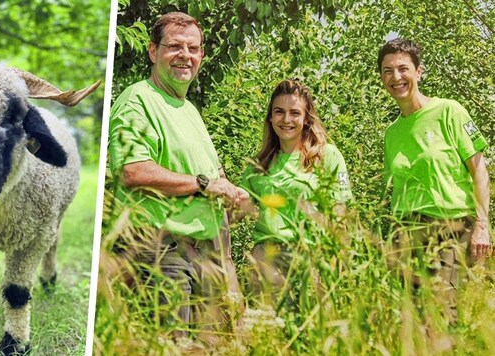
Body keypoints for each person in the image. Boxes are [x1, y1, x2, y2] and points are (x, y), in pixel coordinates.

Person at [107, 12, 247, 343]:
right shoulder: (137, 100)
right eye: (175, 47)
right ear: (153, 52)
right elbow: (132, 170)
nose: (185, 56)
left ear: (201, 55)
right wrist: (203, 184)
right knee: (172, 348)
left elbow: (216, 180)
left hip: (208, 255)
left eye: (193, 48)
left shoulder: (190, 111)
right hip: (164, 254)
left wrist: (233, 197)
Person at [379, 38, 490, 325]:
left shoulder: (449, 111)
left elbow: (479, 170)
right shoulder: (392, 134)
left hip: (451, 229)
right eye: (387, 71)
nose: (396, 77)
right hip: (408, 235)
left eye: (403, 68)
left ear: (419, 72)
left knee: (442, 313)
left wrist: (482, 226)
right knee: (413, 322)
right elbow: (396, 192)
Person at [238, 79, 352, 307]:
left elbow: (339, 211)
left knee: (309, 335)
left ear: (306, 118)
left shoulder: (326, 156)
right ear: (270, 117)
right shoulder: (259, 164)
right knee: (266, 335)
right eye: (279, 112)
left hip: (310, 257)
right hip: (266, 259)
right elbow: (238, 211)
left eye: (295, 113)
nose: (286, 120)